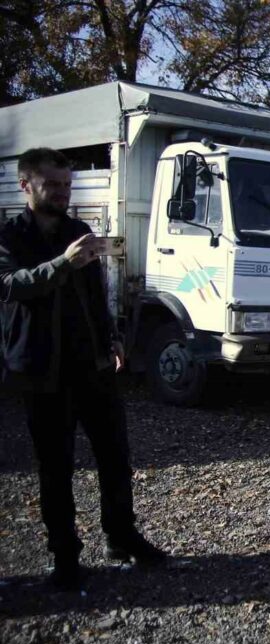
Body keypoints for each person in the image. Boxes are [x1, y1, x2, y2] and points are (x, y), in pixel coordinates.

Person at [0, 147, 166, 590]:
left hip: (92, 367)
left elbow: (95, 289)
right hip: (43, 369)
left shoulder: (79, 229)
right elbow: (9, 286)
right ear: (25, 185)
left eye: (67, 185)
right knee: (55, 467)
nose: (61, 193)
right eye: (52, 185)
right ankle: (65, 557)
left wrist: (112, 336)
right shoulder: (10, 235)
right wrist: (61, 264)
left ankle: (121, 536)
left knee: (115, 457)